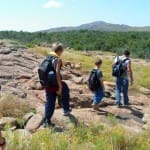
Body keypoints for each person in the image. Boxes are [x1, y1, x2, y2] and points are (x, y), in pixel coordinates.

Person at [42, 43, 71, 128]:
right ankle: (66, 109)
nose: (61, 53)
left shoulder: (47, 57)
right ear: (59, 51)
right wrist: (60, 87)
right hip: (54, 84)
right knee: (64, 89)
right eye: (61, 51)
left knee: (49, 102)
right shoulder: (57, 59)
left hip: (47, 83)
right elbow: (57, 73)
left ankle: (46, 121)